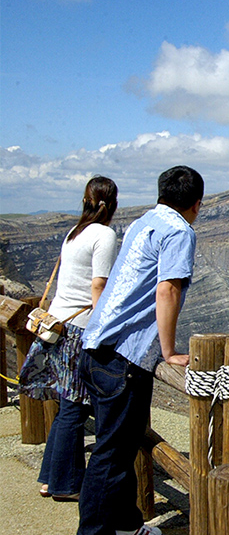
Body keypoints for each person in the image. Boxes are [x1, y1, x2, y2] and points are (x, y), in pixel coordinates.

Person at [77, 165, 203, 535]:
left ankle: (127, 526)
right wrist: (168, 351)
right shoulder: (180, 230)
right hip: (124, 357)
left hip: (97, 346)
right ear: (197, 204)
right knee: (111, 457)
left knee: (118, 445)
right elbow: (168, 289)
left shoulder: (141, 222)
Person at [19, 176, 119, 502]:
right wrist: (108, 328)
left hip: (59, 325)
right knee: (75, 409)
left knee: (66, 407)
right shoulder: (104, 234)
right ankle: (64, 484)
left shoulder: (74, 233)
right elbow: (98, 288)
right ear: (112, 203)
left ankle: (51, 478)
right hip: (80, 330)